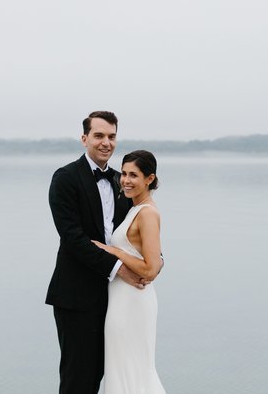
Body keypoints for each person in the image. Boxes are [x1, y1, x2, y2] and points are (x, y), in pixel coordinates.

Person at [46, 111, 154, 394]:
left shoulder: (124, 182)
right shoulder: (65, 178)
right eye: (99, 135)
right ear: (84, 139)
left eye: (111, 136)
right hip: (77, 295)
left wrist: (155, 263)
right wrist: (120, 269)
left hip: (118, 298)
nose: (106, 142)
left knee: (115, 374)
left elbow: (140, 232)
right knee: (79, 378)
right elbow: (73, 239)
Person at [92, 150, 166, 394]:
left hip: (134, 300)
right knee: (121, 367)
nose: (125, 180)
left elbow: (151, 268)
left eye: (134, 175)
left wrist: (114, 252)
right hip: (121, 300)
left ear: (150, 179)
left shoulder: (148, 213)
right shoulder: (135, 208)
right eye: (123, 173)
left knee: (135, 369)